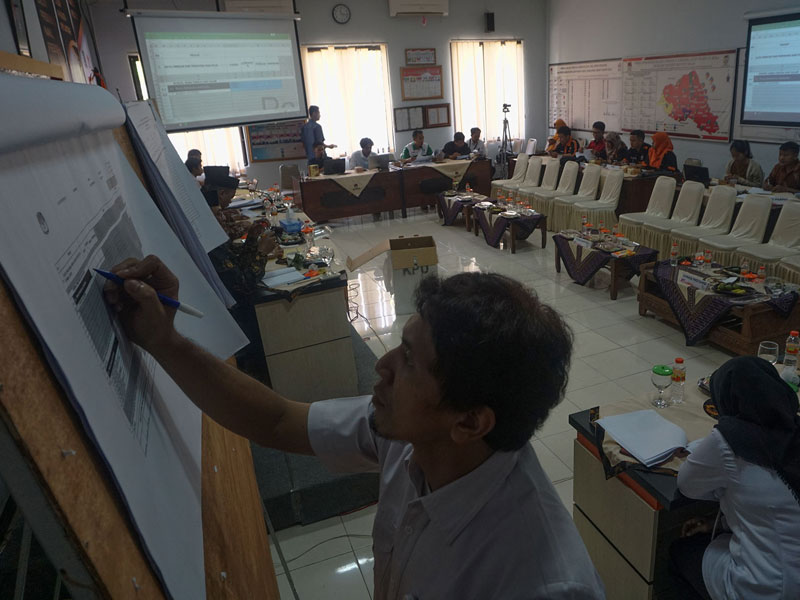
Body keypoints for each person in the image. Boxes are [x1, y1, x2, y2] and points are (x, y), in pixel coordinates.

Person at [102, 268, 606, 599]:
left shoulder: (539, 582)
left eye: (408, 360)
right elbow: (279, 421)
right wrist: (163, 342)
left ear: (470, 421)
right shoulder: (409, 438)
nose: (382, 366)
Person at [671, 356, 800, 600]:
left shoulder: (730, 439)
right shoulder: (793, 431)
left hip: (765, 587)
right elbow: (778, 510)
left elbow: (687, 485)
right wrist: (717, 524)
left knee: (681, 553)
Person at [201, 171, 249, 240]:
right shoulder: (214, 210)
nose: (230, 201)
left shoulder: (209, 202)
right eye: (230, 197)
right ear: (222, 193)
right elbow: (227, 236)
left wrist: (231, 217)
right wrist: (247, 227)